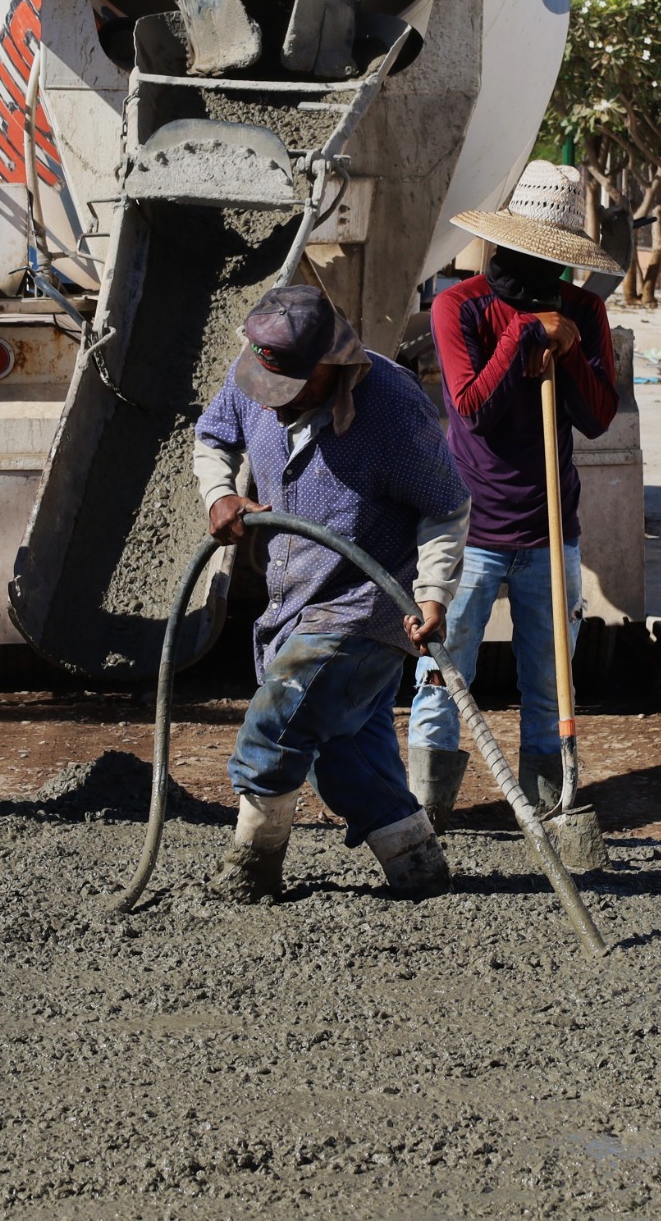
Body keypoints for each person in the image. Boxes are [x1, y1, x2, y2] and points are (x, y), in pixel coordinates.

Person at [193, 284, 470, 901]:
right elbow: (212, 437)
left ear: (334, 364)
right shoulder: (252, 377)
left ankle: (250, 869)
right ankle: (419, 869)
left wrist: (433, 596)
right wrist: (220, 494)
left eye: (295, 386)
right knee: (345, 757)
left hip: (367, 608)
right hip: (292, 601)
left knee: (279, 722)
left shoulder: (391, 407)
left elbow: (446, 507)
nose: (276, 402)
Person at [407, 162, 622, 829]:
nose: (545, 272)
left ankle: (546, 803)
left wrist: (570, 341)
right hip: (468, 528)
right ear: (506, 243)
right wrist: (529, 333)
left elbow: (597, 416)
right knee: (444, 672)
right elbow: (471, 408)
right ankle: (428, 805)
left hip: (551, 527)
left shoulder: (584, 309)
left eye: (555, 261)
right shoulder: (459, 305)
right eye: (534, 256)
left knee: (550, 678)